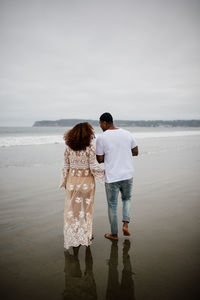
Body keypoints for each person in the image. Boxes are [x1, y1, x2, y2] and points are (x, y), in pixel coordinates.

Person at [59, 122, 104, 249]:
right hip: (86, 184)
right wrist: (106, 174)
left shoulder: (68, 148)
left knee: (73, 210)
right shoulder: (89, 148)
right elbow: (93, 167)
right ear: (87, 135)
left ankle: (73, 235)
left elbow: (65, 167)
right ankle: (86, 233)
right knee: (87, 210)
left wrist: (64, 182)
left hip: (72, 182)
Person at [96, 113, 138, 241]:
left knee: (112, 205)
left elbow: (99, 159)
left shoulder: (101, 138)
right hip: (127, 174)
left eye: (100, 124)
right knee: (127, 199)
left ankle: (114, 234)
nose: (100, 126)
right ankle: (125, 224)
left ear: (105, 122)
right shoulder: (127, 133)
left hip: (112, 177)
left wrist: (109, 156)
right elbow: (135, 152)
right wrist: (123, 153)